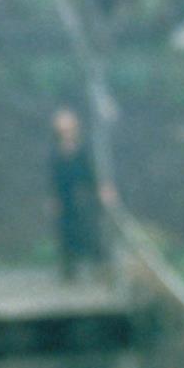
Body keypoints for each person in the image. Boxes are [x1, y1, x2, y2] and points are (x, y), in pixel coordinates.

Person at [49, 106, 113, 282]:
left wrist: (103, 188)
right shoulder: (55, 150)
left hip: (85, 195)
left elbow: (94, 170)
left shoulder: (86, 147)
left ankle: (100, 267)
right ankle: (69, 271)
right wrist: (54, 198)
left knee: (91, 230)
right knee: (67, 233)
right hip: (66, 197)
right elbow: (54, 176)